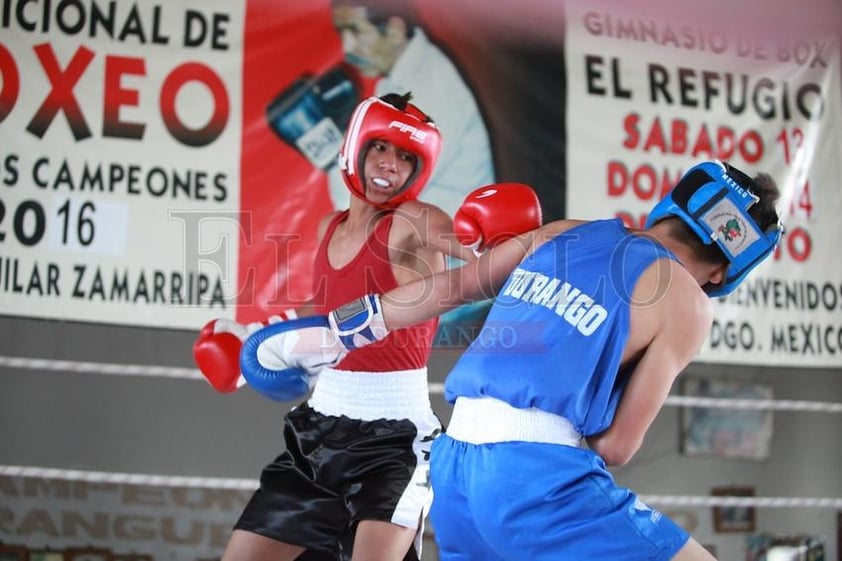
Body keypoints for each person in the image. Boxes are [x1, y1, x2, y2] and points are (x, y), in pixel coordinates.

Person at [241, 159, 783, 561]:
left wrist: (333, 333)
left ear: (673, 204)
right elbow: (617, 447)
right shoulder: (688, 302)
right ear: (725, 272)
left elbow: (450, 286)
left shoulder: (565, 232)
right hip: (535, 479)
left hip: (453, 471)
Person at [194, 92, 542, 561]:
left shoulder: (412, 221)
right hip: (318, 431)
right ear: (355, 146)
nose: (391, 165)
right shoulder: (328, 228)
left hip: (394, 441)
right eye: (381, 148)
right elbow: (325, 314)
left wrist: (498, 238)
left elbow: (482, 259)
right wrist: (248, 351)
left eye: (406, 157)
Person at [327, 0, 495, 217]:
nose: (347, 48)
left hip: (453, 245)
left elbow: (373, 199)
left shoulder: (429, 89)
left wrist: (333, 156)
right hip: (427, 238)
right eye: (342, 33)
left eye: (356, 31)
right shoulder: (400, 80)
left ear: (395, 30)